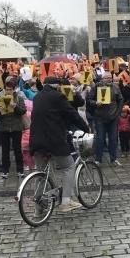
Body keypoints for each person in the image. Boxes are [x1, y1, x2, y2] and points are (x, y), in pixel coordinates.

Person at [29, 77, 90, 213]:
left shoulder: (38, 96)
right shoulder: (58, 96)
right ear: (58, 86)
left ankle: (39, 207)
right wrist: (86, 128)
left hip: (36, 140)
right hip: (53, 140)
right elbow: (73, 114)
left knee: (41, 173)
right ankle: (66, 201)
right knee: (68, 166)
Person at [88, 72, 124, 166]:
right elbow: (89, 99)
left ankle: (113, 158)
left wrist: (118, 112)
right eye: (106, 78)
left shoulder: (115, 87)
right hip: (100, 117)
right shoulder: (96, 87)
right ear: (102, 79)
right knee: (100, 139)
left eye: (110, 78)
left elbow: (120, 99)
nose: (108, 80)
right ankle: (98, 159)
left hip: (113, 116)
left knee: (113, 138)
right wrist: (95, 103)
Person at [0, 77, 28, 179]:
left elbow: (23, 111)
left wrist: (16, 107)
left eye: (10, 89)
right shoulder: (0, 99)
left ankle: (20, 170)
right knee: (5, 150)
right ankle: (5, 170)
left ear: (14, 89)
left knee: (17, 150)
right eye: (6, 89)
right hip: (4, 127)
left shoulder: (19, 98)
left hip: (16, 127)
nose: (8, 91)